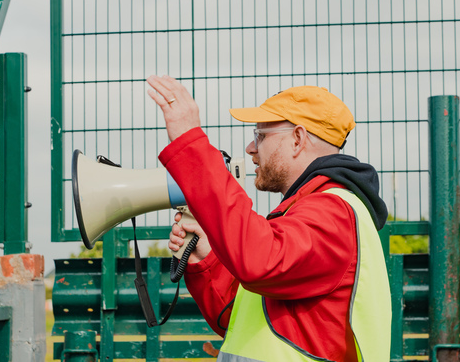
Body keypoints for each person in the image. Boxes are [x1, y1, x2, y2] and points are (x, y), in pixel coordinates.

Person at [147, 75, 392, 362]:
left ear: (298, 139)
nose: (251, 148)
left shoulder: (333, 213)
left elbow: (260, 262)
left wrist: (190, 141)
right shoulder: (304, 212)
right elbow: (237, 318)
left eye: (260, 136)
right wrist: (207, 259)